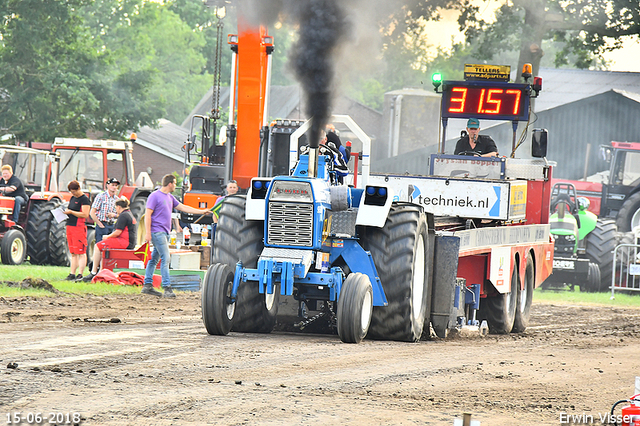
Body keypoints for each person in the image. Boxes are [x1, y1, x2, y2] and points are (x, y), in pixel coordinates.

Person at [142, 174, 213, 298]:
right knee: (166, 258)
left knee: (154, 259)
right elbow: (147, 215)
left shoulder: (170, 197)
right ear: (170, 183)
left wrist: (202, 211)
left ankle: (147, 285)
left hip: (164, 232)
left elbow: (183, 207)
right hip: (157, 232)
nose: (175, 186)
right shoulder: (154, 196)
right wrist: (148, 233)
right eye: (174, 183)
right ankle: (167, 287)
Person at [84, 198, 136, 282]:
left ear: (118, 207)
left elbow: (118, 232)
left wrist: (107, 237)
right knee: (103, 249)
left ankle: (93, 272)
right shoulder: (129, 214)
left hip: (123, 241)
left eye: (115, 208)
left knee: (98, 246)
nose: (116, 210)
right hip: (129, 242)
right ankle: (100, 270)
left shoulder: (123, 216)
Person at [64, 180, 91, 281]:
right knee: (73, 252)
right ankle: (72, 273)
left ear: (78, 189)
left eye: (74, 192)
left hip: (78, 227)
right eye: (71, 192)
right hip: (70, 225)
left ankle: (80, 273)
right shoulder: (72, 198)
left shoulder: (85, 200)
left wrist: (71, 212)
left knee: (81, 251)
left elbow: (85, 214)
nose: (73, 194)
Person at [90, 177, 120, 243]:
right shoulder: (101, 196)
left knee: (110, 247)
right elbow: (92, 212)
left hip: (112, 225)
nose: (114, 187)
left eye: (116, 185)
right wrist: (99, 224)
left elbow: (120, 214)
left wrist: (113, 215)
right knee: (100, 245)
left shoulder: (117, 199)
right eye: (112, 185)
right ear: (108, 185)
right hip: (102, 224)